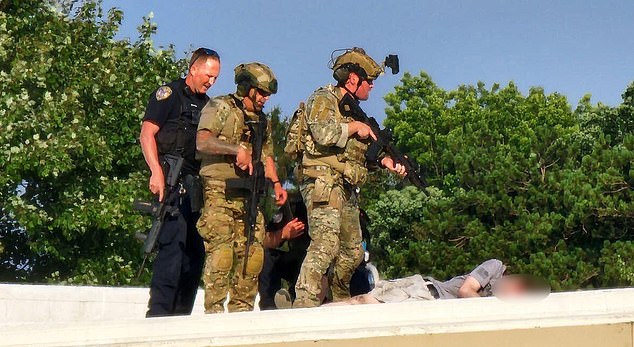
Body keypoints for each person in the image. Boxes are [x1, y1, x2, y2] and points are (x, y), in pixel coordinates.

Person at [292, 47, 406, 308]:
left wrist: (387, 161)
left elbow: (360, 154)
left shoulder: (354, 110)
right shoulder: (324, 98)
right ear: (353, 79)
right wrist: (356, 127)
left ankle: (339, 300)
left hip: (346, 185)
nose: (372, 87)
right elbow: (323, 134)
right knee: (325, 244)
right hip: (322, 180)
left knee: (354, 252)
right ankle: (303, 305)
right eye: (370, 82)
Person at [196, 62, 288, 313]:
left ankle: (242, 317)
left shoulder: (262, 121)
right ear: (246, 88)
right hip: (220, 191)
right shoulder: (221, 106)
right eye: (261, 92)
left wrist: (277, 185)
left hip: (250, 195)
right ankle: (213, 315)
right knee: (222, 255)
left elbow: (267, 157)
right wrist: (236, 149)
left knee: (252, 257)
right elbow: (202, 142)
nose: (265, 98)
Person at [139, 47, 221, 317]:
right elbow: (147, 133)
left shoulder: (210, 107)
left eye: (215, 77)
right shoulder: (169, 95)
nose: (211, 81)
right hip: (172, 182)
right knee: (172, 249)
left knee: (195, 255)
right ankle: (159, 315)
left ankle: (181, 317)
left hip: (197, 187)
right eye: (208, 75)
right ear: (194, 69)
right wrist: (155, 172)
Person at [331, 259, 549, 305]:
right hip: (425, 292)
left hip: (427, 302)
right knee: (361, 303)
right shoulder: (495, 268)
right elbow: (466, 290)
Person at [257, 193, 309, 310]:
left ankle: (300, 299)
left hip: (317, 266)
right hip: (296, 262)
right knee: (267, 255)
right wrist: (283, 234)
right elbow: (265, 240)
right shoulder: (293, 207)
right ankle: (269, 304)